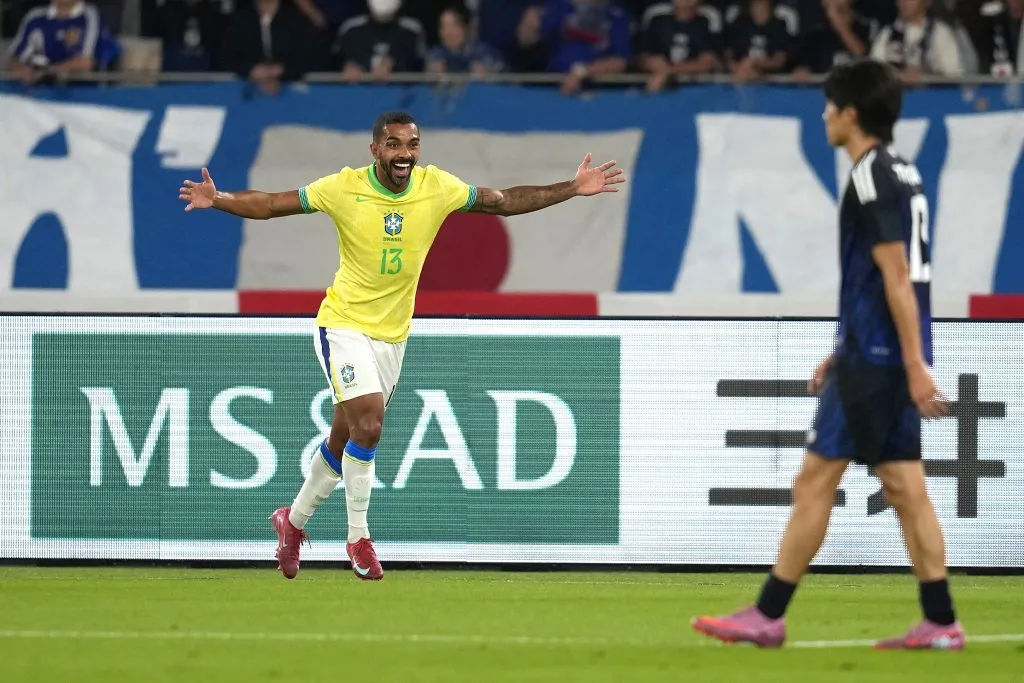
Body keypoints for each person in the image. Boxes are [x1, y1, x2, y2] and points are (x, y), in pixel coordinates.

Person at [177, 111, 625, 582]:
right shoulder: (343, 187)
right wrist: (220, 199)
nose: (404, 154)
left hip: (393, 336)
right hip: (343, 324)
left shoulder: (438, 186)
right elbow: (270, 204)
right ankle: (358, 538)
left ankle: (292, 524)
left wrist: (572, 188)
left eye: (411, 145)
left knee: (345, 437)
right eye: (393, 145)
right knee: (369, 424)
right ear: (375, 150)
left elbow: (503, 201)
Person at [691, 58, 965, 651]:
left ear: (851, 114)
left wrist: (909, 363)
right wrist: (853, 351)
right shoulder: (904, 173)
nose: (823, 115)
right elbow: (895, 279)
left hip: (878, 357)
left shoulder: (869, 176)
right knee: (904, 485)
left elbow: (895, 276)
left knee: (817, 480)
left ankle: (768, 614)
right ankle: (940, 621)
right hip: (875, 352)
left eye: (829, 105)